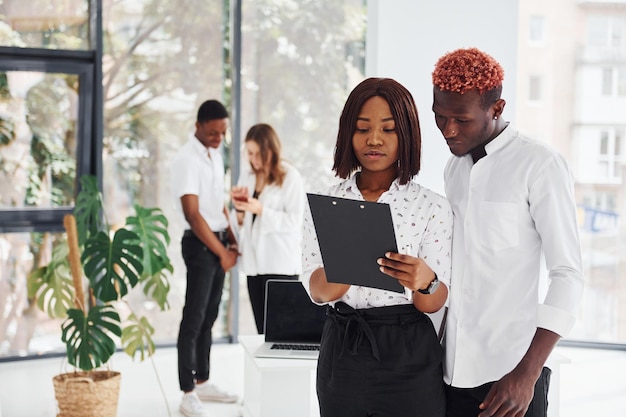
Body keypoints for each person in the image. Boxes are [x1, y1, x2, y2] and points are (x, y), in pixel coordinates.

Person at [431, 47, 584, 417]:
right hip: (450, 374)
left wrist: (527, 374)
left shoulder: (540, 164)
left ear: (496, 109)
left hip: (510, 377)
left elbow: (568, 275)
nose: (448, 130)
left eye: (461, 120)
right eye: (440, 117)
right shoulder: (455, 168)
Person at [300, 77, 452, 417]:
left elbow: (435, 303)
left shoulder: (432, 207)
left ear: (407, 134)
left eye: (388, 129)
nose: (374, 139)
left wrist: (426, 281)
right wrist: (343, 272)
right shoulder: (326, 201)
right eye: (362, 128)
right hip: (343, 348)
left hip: (409, 351)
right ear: (347, 134)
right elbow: (316, 288)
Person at [170, 99, 240, 417]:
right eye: (213, 133)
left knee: (210, 316)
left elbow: (217, 202)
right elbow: (193, 214)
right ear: (198, 126)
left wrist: (233, 237)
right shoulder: (187, 159)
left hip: (218, 241)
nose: (219, 139)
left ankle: (203, 380)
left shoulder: (213, 154)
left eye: (223, 133)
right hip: (201, 247)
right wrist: (221, 252)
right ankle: (187, 392)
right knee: (194, 319)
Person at [231, 123, 306, 334]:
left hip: (279, 267)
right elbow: (243, 223)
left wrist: (262, 210)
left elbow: (294, 221)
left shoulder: (290, 177)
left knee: (282, 333)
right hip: (254, 266)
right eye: (250, 153)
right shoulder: (248, 176)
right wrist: (239, 209)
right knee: (262, 332)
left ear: (270, 151)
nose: (253, 159)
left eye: (257, 153)